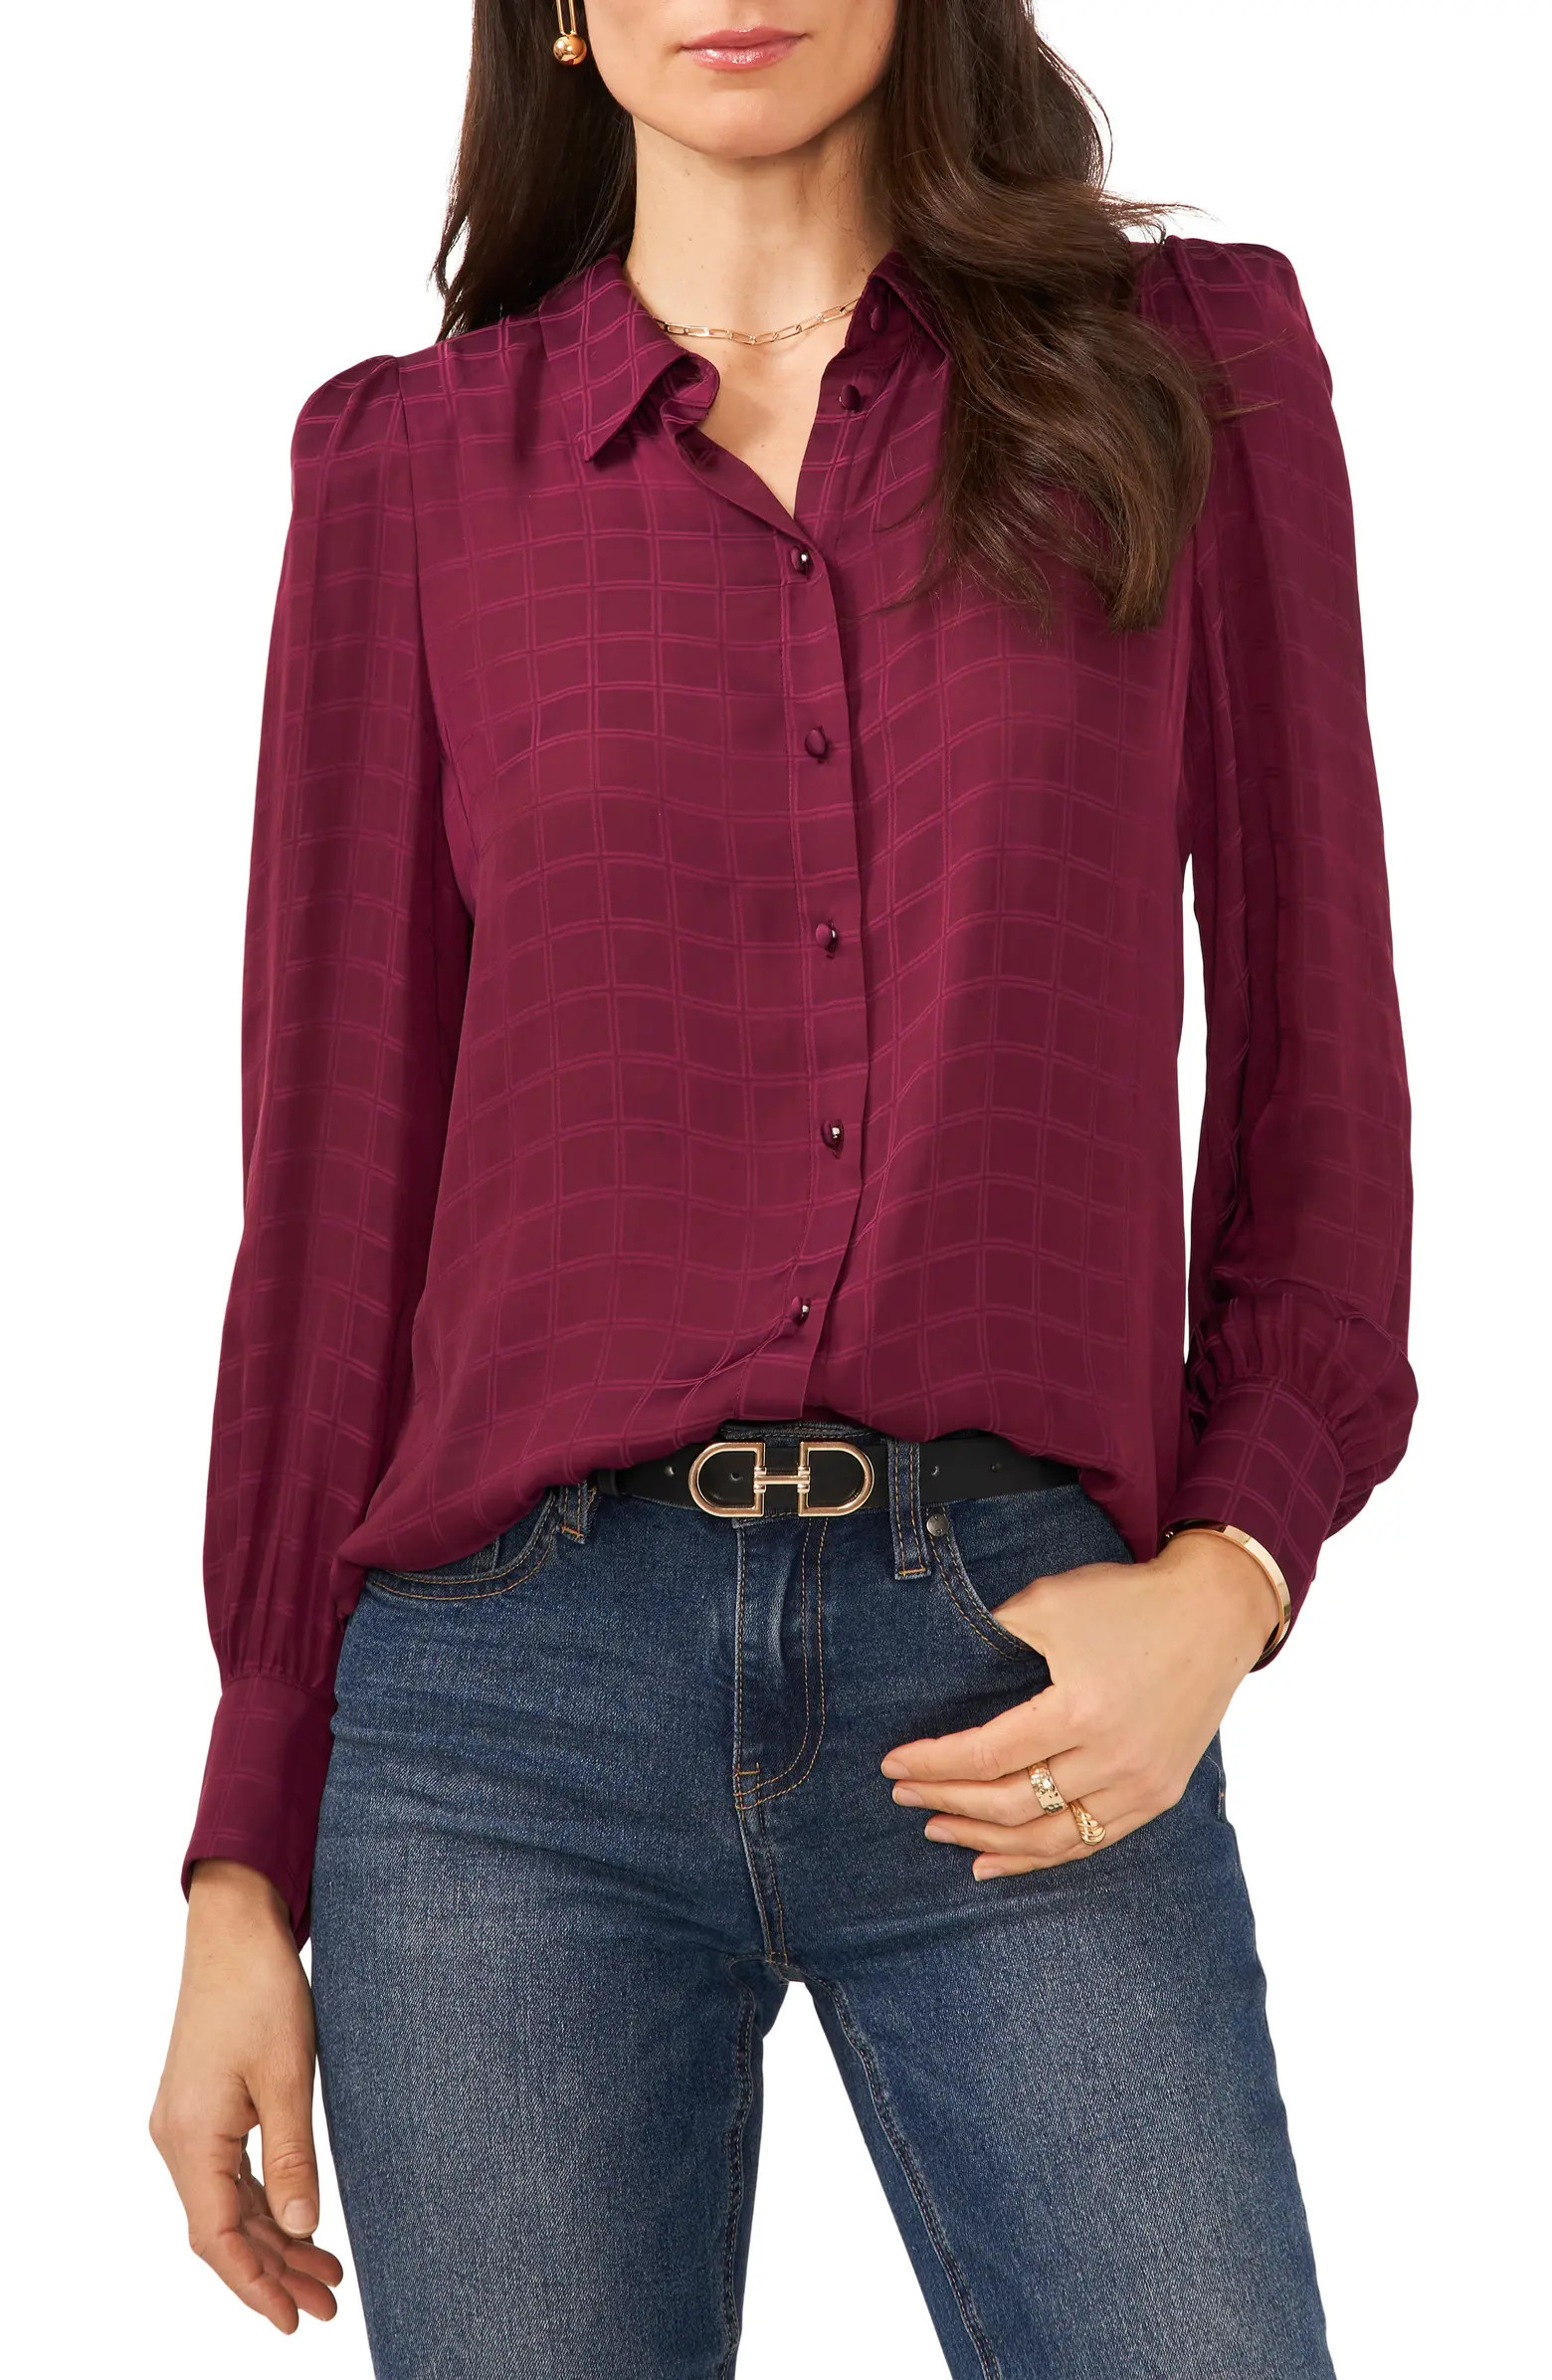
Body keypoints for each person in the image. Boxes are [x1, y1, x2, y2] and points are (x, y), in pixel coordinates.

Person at [149, 5, 1417, 2374]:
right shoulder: (414, 475)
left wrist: (1234, 1570)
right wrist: (244, 1855)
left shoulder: (1186, 374)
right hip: (502, 1731)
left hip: (1020, 1669)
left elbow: (1321, 1074)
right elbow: (329, 1213)